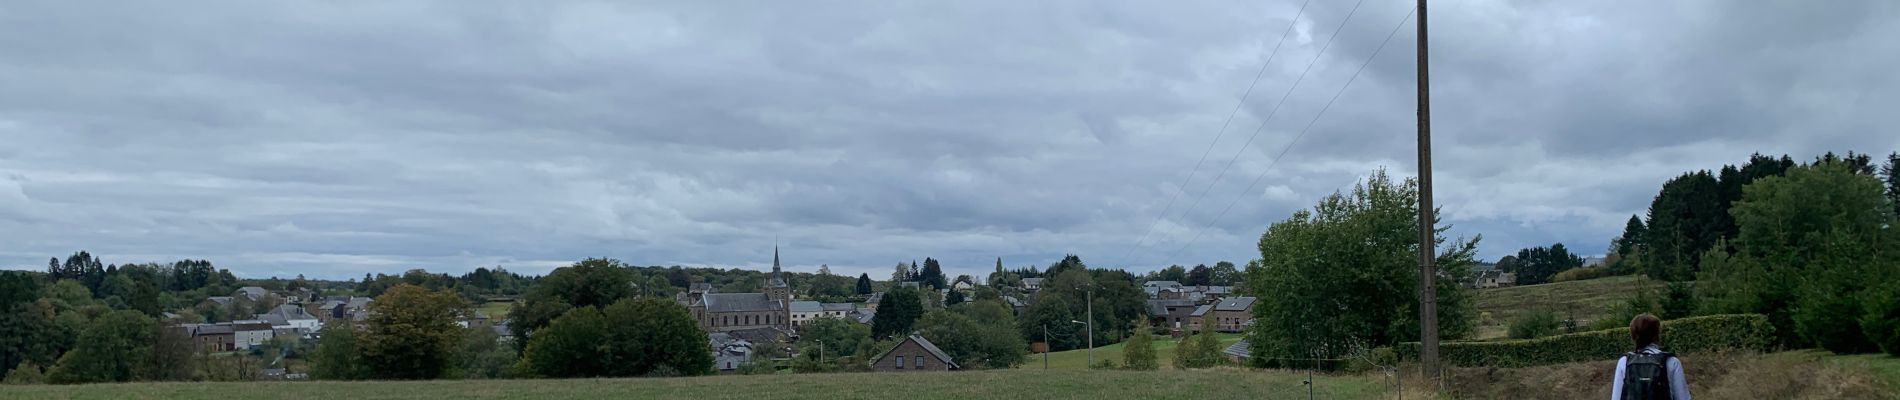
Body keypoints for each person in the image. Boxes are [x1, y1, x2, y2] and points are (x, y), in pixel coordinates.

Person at [1610, 313, 1689, 400]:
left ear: (1633, 335)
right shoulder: (1671, 361)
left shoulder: (1624, 362)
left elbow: (1616, 398)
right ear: (1657, 334)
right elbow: (1683, 397)